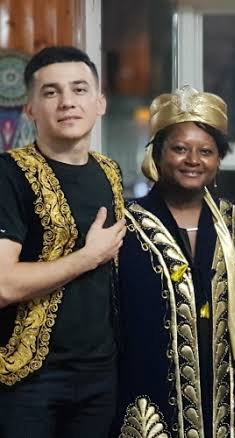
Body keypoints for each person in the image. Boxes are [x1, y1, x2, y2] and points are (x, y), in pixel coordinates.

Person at [114, 85, 235, 437]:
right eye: (179, 149)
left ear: (218, 159)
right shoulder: (125, 227)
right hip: (147, 391)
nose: (193, 160)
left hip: (230, 397)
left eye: (206, 151)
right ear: (158, 154)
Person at [0, 46, 125, 437]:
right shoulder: (8, 174)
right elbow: (3, 285)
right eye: (51, 92)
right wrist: (88, 257)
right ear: (30, 109)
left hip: (101, 372)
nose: (67, 102)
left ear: (100, 103)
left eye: (79, 89)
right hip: (28, 378)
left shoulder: (110, 172)